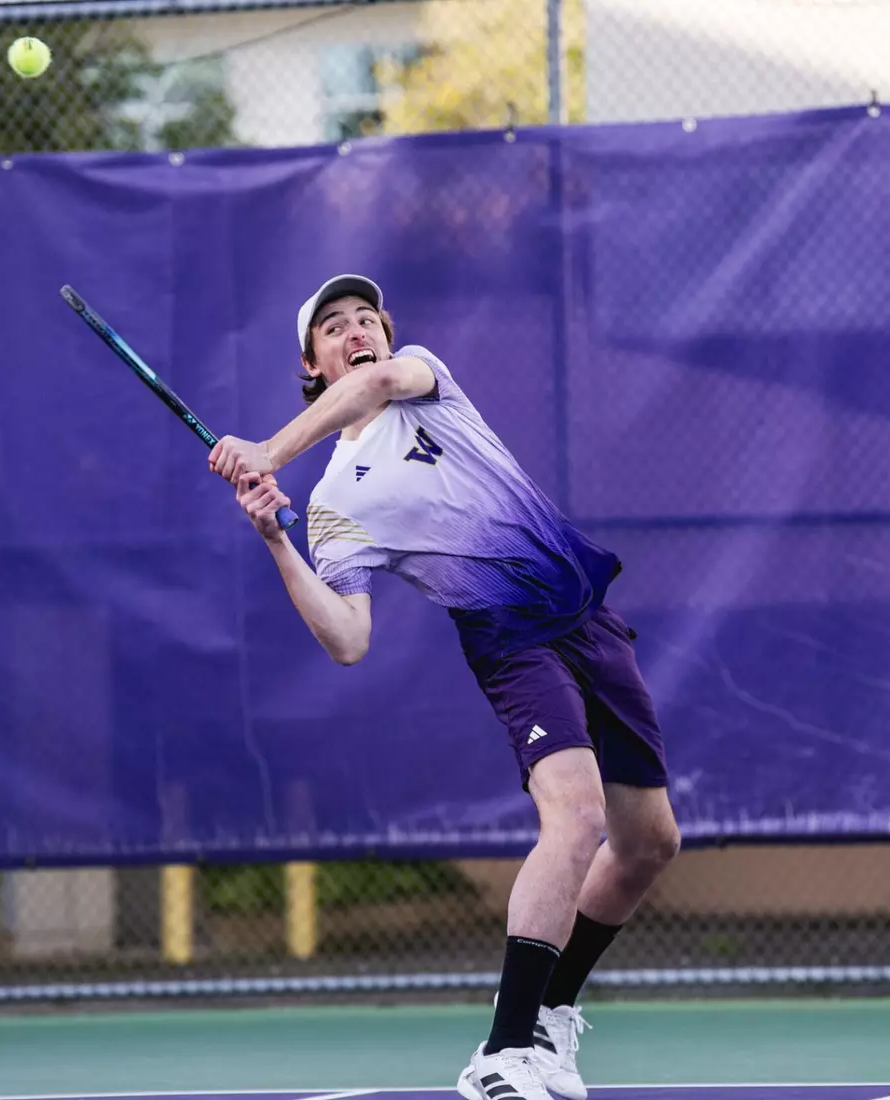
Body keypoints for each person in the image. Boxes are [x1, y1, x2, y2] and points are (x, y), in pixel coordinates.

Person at [209, 274, 682, 1100]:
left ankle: (546, 1021)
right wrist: (276, 543)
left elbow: (383, 381)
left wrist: (267, 449)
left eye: (368, 318)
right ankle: (500, 1055)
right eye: (335, 327)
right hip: (512, 643)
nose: (358, 331)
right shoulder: (330, 506)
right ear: (311, 363)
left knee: (649, 845)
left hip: (590, 620)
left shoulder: (420, 377)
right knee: (575, 819)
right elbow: (349, 638)